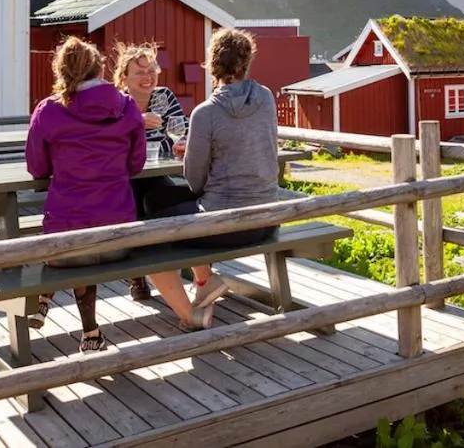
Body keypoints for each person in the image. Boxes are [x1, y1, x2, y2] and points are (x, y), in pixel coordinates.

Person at [141, 27, 281, 330]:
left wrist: (190, 155)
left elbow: (195, 182)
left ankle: (191, 313)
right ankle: (205, 282)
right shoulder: (266, 98)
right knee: (156, 197)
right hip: (268, 217)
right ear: (246, 62)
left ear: (212, 63)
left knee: (147, 231)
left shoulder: (206, 113)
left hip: (228, 224)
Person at [24, 36, 146, 353]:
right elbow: (137, 164)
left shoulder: (48, 111)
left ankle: (55, 306)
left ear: (61, 71)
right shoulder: (127, 107)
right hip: (119, 236)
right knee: (91, 226)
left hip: (66, 242)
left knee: (75, 230)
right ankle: (90, 334)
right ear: (100, 68)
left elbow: (36, 168)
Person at [112, 41, 188, 301]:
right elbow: (109, 145)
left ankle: (182, 268)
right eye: (140, 72)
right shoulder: (116, 103)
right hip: (122, 177)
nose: (148, 77)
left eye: (152, 70)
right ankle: (139, 275)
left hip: (156, 173)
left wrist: (165, 143)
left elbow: (181, 135)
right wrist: (135, 124)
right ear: (124, 77)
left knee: (170, 200)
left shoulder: (163, 97)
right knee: (134, 205)